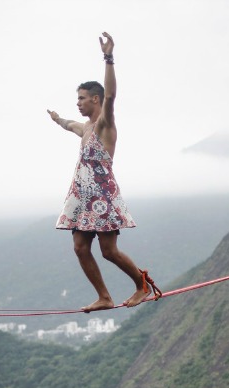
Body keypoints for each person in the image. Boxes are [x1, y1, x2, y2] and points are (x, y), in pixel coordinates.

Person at [48, 32, 160, 313]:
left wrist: (108, 58)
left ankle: (141, 285)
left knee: (108, 251)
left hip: (102, 196)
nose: (78, 102)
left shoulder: (105, 124)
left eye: (83, 98)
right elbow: (68, 123)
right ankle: (104, 297)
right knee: (80, 247)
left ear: (95, 100)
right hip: (83, 197)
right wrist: (57, 118)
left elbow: (111, 95)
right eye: (77, 98)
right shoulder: (83, 129)